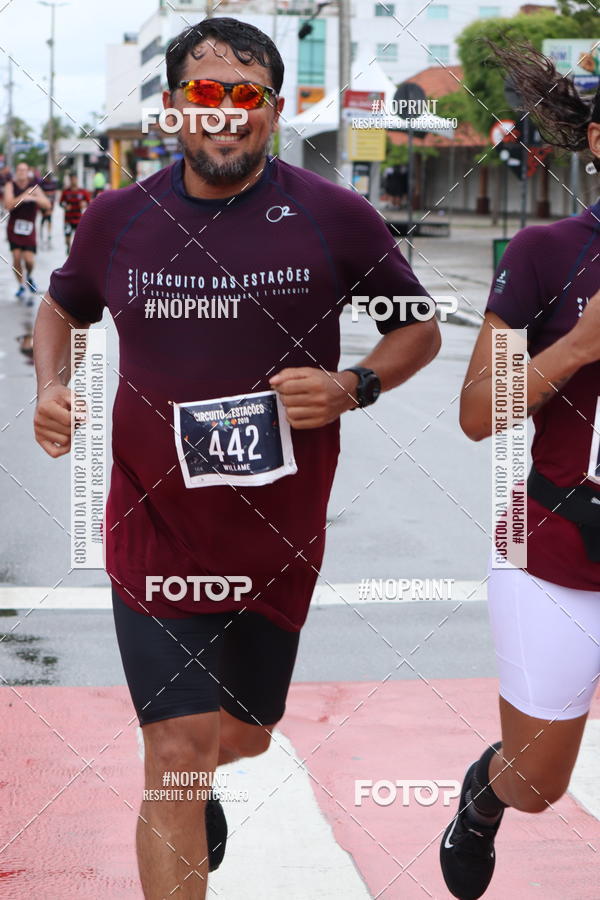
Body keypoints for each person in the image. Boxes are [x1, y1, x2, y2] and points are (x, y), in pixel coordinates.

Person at [32, 17, 440, 900]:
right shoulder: (118, 220)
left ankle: (204, 780)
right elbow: (62, 308)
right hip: (155, 532)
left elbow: (420, 329)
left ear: (274, 109)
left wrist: (353, 386)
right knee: (173, 754)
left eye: (245, 95)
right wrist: (51, 388)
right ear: (175, 107)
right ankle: (185, 792)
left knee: (243, 735)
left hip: (276, 544)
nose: (225, 114)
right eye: (205, 95)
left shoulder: (335, 216)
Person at [440, 42, 600, 900]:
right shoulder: (546, 252)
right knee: (540, 784)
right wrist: (576, 348)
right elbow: (477, 413)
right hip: (560, 544)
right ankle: (485, 795)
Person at [3, 160, 51, 302]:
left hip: (29, 229)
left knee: (29, 260)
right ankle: (21, 286)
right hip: (14, 228)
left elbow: (47, 204)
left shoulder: (34, 188)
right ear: (16, 172)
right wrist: (23, 197)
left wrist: (34, 198)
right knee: (17, 257)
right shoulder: (10, 185)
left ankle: (29, 276)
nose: (21, 172)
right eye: (19, 170)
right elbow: (8, 205)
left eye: (24, 170)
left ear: (28, 172)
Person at [59, 172, 90, 254]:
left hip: (79, 219)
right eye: (71, 179)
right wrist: (65, 206)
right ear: (70, 180)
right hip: (68, 219)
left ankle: (75, 253)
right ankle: (68, 248)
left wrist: (85, 204)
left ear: (77, 179)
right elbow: (60, 203)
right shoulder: (66, 192)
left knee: (78, 239)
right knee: (67, 240)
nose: (73, 181)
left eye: (75, 179)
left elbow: (90, 203)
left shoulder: (82, 192)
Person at [39, 173, 59, 248]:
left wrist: (52, 207)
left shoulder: (53, 184)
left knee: (49, 219)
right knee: (43, 219)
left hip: (50, 204)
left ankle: (49, 235)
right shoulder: (42, 183)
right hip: (43, 205)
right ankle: (42, 236)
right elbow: (40, 194)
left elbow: (54, 195)